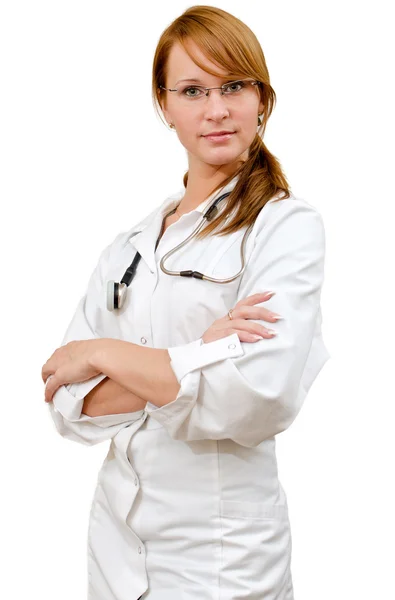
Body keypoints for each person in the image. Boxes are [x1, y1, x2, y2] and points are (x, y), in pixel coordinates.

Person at [41, 5, 330, 599]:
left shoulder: (285, 228)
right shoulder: (129, 245)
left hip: (221, 562)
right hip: (117, 551)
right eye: (193, 90)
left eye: (234, 86)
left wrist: (101, 352)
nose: (217, 109)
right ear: (164, 105)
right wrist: (204, 351)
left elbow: (259, 395)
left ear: (261, 100)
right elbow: (67, 403)